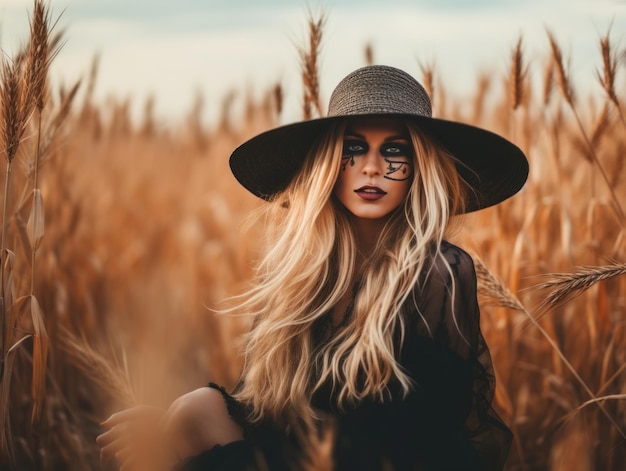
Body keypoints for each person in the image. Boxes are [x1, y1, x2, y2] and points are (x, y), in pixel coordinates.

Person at [97, 65, 528, 470]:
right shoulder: (297, 273)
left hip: (382, 462)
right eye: (353, 149)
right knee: (193, 409)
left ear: (419, 169)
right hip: (301, 454)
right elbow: (266, 407)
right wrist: (168, 426)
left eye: (394, 151)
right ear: (327, 165)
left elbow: (423, 435)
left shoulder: (439, 272)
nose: (373, 167)